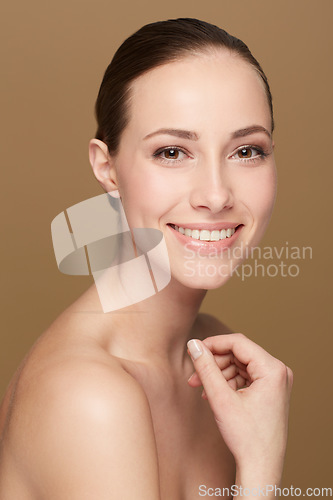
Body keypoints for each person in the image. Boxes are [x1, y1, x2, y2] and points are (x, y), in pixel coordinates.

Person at [0, 18, 293, 499]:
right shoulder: (89, 398)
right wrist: (261, 466)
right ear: (107, 168)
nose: (216, 195)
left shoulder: (214, 357)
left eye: (246, 150)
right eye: (173, 151)